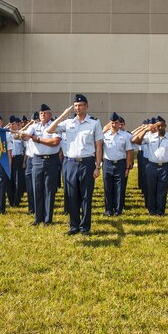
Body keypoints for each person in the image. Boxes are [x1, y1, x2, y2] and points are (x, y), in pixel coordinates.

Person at [46, 94, 104, 234]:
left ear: (86, 106)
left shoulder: (94, 123)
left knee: (86, 196)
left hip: (87, 163)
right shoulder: (69, 122)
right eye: (75, 106)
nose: (77, 108)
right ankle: (74, 226)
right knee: (71, 196)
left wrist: (97, 167)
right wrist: (63, 115)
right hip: (70, 163)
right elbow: (49, 130)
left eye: (80, 105)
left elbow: (99, 146)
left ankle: (85, 227)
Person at [21, 104, 61, 225]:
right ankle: (38, 218)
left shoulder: (55, 126)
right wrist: (24, 135)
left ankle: (48, 219)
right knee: (37, 189)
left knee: (49, 190)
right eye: (41, 113)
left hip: (51, 160)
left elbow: (55, 142)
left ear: (50, 114)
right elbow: (25, 137)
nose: (43, 115)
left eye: (45, 113)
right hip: (37, 160)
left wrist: (38, 139)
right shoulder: (34, 126)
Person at [131, 116, 168, 216]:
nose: (160, 128)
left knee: (162, 189)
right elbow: (135, 140)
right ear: (155, 127)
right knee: (150, 188)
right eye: (158, 126)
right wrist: (145, 129)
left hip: (165, 167)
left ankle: (160, 211)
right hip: (152, 166)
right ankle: (151, 210)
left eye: (162, 126)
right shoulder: (150, 136)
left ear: (165, 126)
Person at [101, 112, 133, 216]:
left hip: (120, 164)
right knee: (108, 187)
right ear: (109, 123)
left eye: (116, 123)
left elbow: (129, 152)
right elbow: (97, 145)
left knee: (120, 188)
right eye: (112, 123)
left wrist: (127, 167)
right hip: (107, 163)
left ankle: (118, 210)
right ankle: (108, 210)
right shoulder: (104, 136)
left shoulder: (125, 136)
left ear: (120, 123)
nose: (114, 125)